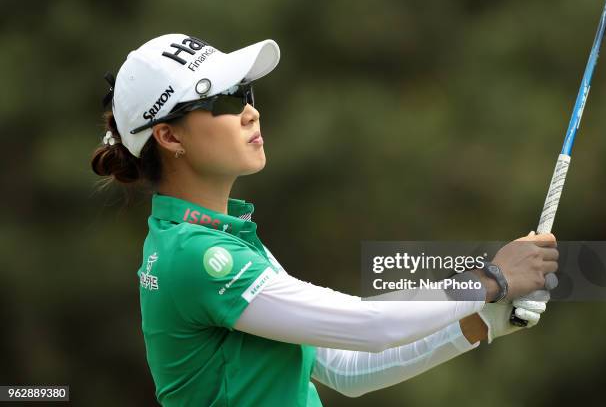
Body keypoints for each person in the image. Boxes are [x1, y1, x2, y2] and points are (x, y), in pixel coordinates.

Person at [91, 34, 559, 406]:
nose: (251, 112)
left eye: (246, 94)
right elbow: (370, 324)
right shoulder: (199, 255)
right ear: (169, 136)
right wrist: (490, 280)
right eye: (225, 101)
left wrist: (480, 321)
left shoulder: (214, 238)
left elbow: (345, 369)